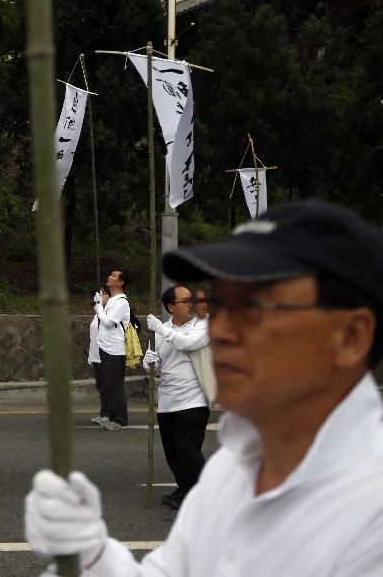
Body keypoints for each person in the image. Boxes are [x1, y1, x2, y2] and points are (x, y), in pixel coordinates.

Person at [25, 200, 383, 575]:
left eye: (253, 308)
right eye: (221, 306)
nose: (223, 330)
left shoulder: (370, 508)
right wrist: (92, 558)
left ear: (351, 337)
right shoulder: (232, 467)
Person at [143, 285, 209, 510]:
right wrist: (149, 362)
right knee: (173, 453)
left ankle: (201, 495)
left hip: (194, 400)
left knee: (188, 451)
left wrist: (161, 329)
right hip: (167, 401)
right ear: (171, 307)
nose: (191, 305)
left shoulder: (202, 324)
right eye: (185, 301)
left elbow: (188, 343)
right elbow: (158, 367)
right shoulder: (162, 330)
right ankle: (184, 488)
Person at [92, 270, 131, 430]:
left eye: (114, 276)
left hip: (115, 349)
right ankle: (111, 416)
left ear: (121, 282)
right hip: (105, 347)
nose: (110, 276)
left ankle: (121, 419)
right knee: (108, 386)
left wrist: (99, 308)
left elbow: (109, 322)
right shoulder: (113, 300)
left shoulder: (122, 302)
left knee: (115, 386)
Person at [88, 287, 109, 425]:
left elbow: (107, 327)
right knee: (101, 387)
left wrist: (100, 308)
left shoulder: (108, 313)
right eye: (100, 294)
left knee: (107, 387)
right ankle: (104, 412)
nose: (101, 296)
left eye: (104, 294)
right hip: (96, 355)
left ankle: (109, 413)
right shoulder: (98, 312)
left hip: (106, 356)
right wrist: (91, 355)